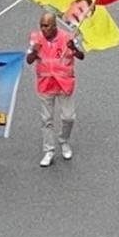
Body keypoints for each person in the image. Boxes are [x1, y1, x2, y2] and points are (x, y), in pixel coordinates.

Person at [26, 11, 85, 167]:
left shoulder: (68, 37)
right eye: (41, 25)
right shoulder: (36, 39)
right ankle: (49, 150)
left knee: (68, 117)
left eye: (46, 26)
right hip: (46, 84)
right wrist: (34, 51)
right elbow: (29, 60)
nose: (43, 29)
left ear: (54, 26)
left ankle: (64, 140)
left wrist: (74, 48)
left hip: (64, 84)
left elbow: (81, 56)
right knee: (46, 120)